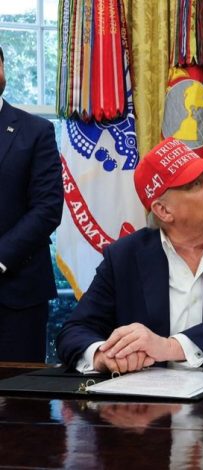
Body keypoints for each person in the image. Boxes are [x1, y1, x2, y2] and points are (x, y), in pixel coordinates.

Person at [56, 137, 203, 373]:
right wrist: (102, 356)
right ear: (163, 210)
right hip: (153, 393)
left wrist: (170, 347)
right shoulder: (124, 256)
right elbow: (74, 330)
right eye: (196, 184)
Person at [0, 45, 64, 362]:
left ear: (3, 69)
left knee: (19, 390)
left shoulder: (36, 131)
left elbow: (48, 208)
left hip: (17, 294)